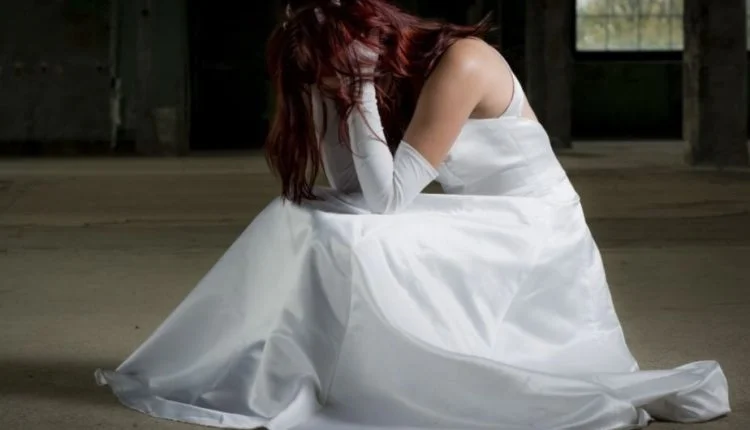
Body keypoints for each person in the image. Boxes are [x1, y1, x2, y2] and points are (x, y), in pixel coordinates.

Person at [96, 0, 731, 429]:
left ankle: (355, 376)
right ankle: (311, 371)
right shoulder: (384, 77)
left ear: (367, 45)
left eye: (329, 70)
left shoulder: (462, 63)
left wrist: (359, 88)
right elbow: (349, 182)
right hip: (475, 215)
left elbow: (386, 199)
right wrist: (327, 100)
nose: (329, 82)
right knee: (302, 215)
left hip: (532, 227)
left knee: (341, 232)